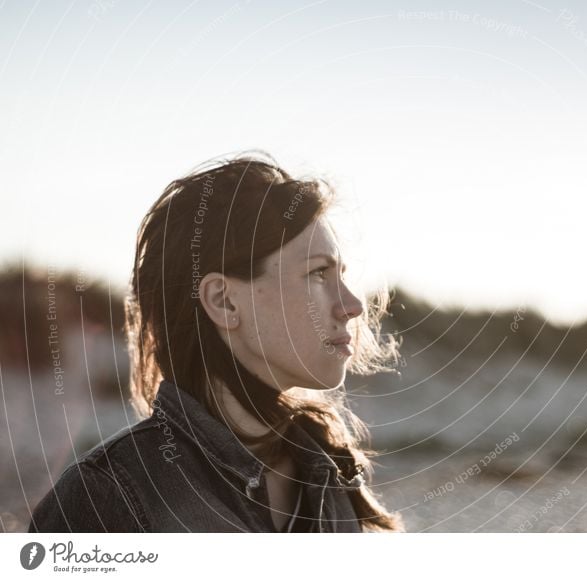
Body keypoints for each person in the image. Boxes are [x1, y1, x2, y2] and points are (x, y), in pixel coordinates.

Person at [28, 151, 405, 533]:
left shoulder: (329, 473)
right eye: (318, 273)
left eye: (340, 274)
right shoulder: (106, 498)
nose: (353, 306)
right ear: (224, 301)